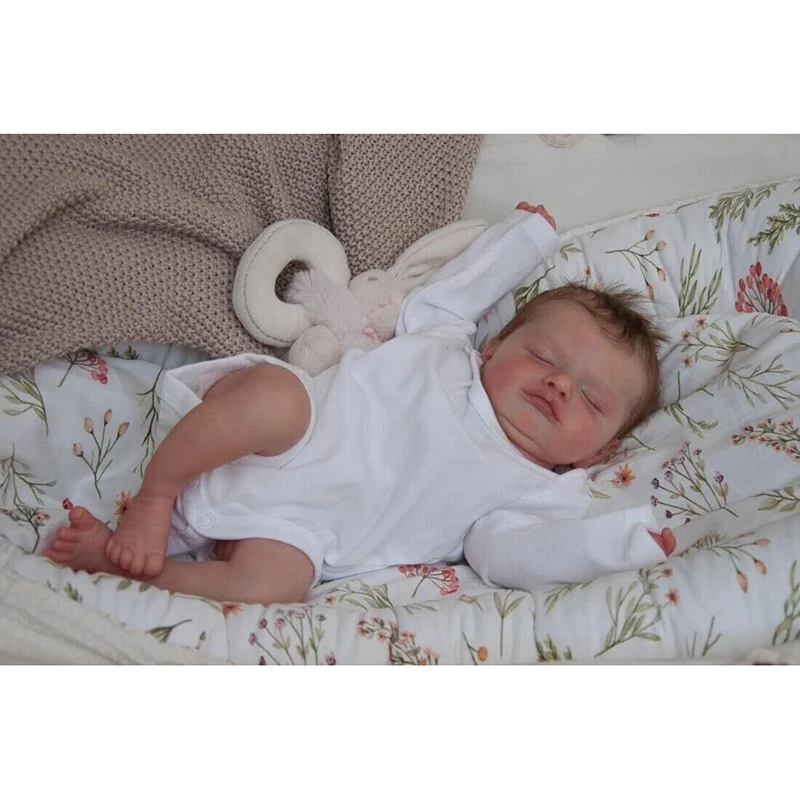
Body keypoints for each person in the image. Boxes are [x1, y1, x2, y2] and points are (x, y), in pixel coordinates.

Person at [43, 203, 673, 605]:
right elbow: (457, 292)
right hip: (282, 439)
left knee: (276, 586)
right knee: (277, 399)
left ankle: (131, 571)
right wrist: (524, 239)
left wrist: (621, 544)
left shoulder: (535, 493)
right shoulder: (445, 345)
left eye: (590, 398)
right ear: (494, 348)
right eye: (542, 357)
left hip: (299, 532)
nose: (559, 385)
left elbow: (512, 554)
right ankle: (155, 499)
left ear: (599, 451)